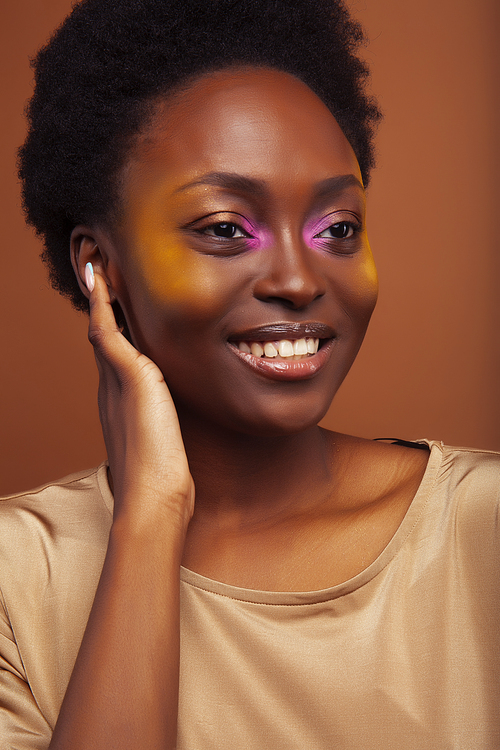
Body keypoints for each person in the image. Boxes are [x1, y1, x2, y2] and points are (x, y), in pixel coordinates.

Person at [1, 0, 498, 748]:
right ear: (99, 267)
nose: (299, 278)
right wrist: (152, 515)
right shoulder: (17, 580)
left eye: (338, 228)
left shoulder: (483, 530)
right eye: (227, 229)